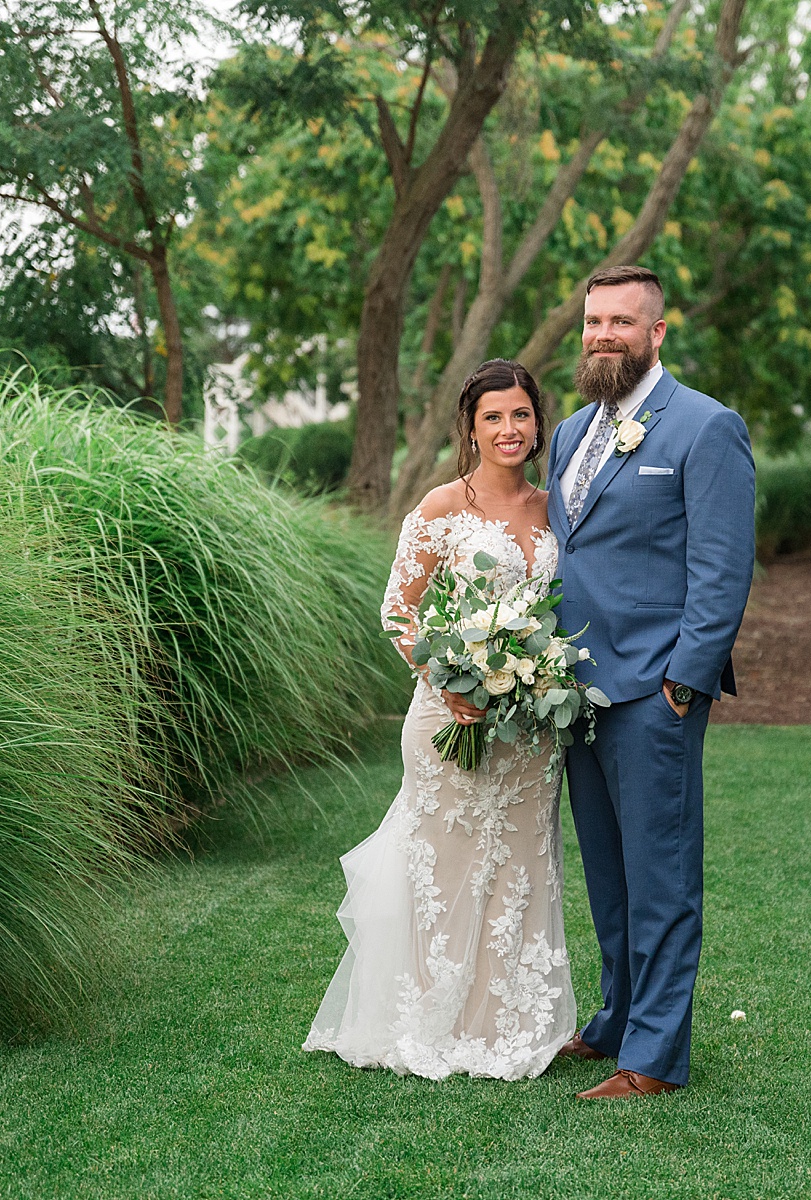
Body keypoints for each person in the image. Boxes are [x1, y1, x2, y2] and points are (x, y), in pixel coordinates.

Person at [303, 360, 577, 1081]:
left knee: (521, 866)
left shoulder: (556, 510)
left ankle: (510, 1025)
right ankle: (430, 1018)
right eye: (493, 417)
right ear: (471, 426)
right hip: (448, 716)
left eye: (520, 415)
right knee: (447, 868)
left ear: (538, 423)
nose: (509, 429)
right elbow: (398, 608)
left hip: (528, 731)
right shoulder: (440, 507)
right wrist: (447, 679)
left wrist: (539, 673)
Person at [548, 264, 756, 1099]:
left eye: (622, 323)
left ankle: (656, 1057)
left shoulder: (705, 428)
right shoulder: (569, 432)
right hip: (575, 691)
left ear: (657, 333)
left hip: (655, 693)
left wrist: (685, 682)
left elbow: (722, 567)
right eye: (594, 322)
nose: (603, 336)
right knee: (607, 868)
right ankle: (615, 1020)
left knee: (661, 877)